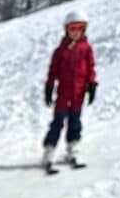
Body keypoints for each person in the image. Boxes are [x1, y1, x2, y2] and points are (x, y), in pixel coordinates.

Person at [42, 10, 97, 170]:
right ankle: (49, 151)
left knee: (75, 122)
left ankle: (73, 149)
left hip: (78, 93)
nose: (75, 32)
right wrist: (49, 87)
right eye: (72, 29)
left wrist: (92, 84)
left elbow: (90, 68)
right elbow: (53, 71)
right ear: (66, 30)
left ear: (84, 30)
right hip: (63, 93)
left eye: (79, 28)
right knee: (58, 122)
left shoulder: (86, 49)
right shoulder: (60, 51)